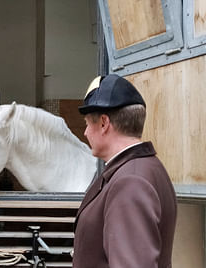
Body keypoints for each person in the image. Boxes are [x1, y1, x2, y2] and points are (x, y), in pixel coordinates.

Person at [72, 74, 177, 268]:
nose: (85, 132)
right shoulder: (141, 168)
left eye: (87, 123)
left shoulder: (130, 182)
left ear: (104, 123)